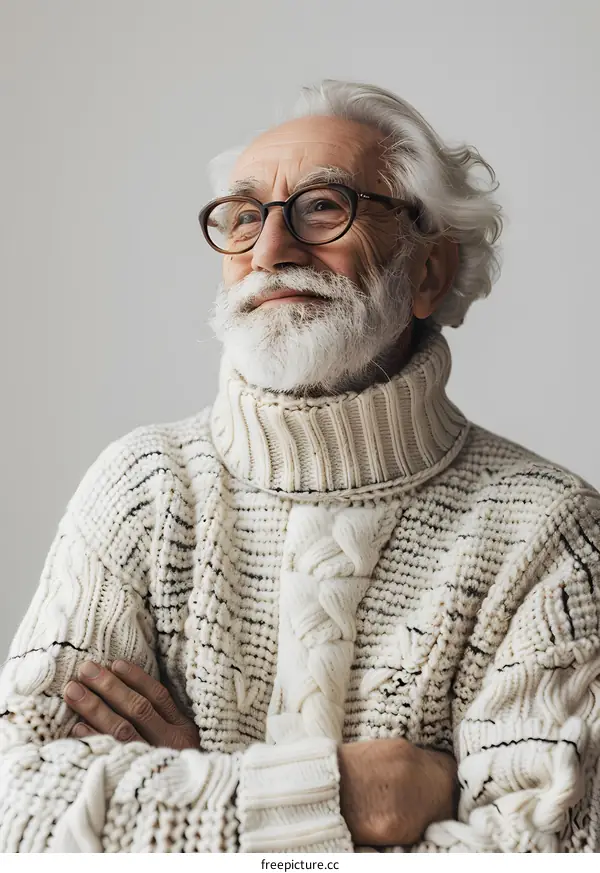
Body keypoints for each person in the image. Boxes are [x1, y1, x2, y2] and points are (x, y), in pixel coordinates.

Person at [1, 79, 598, 854]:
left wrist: (197, 792)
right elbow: (15, 811)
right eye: (244, 217)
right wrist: (344, 796)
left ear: (428, 271)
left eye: (323, 206)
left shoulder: (552, 532)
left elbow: (548, 854)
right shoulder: (143, 489)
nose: (270, 251)